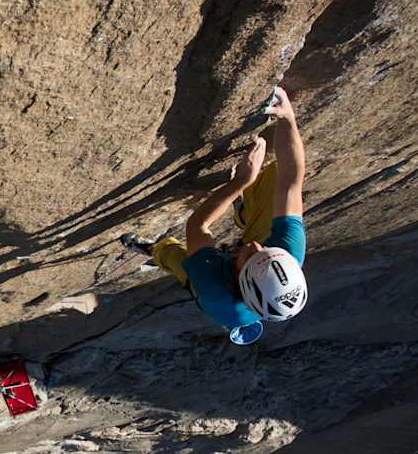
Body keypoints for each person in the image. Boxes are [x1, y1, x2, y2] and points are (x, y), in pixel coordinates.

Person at [120, 86, 308, 345]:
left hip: (219, 285)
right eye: (265, 249)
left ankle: (154, 250)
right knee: (275, 180)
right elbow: (291, 179)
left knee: (176, 258)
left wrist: (241, 181)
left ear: (238, 279)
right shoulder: (288, 255)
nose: (256, 246)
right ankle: (246, 213)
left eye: (252, 256)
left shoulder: (216, 294)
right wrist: (287, 117)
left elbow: (198, 225)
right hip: (256, 271)